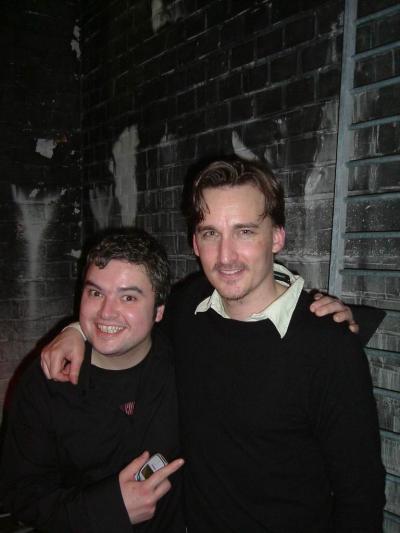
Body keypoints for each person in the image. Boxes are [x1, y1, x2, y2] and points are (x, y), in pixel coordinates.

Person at [40, 158, 385, 532]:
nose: (226, 256)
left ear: (277, 236)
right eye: (210, 233)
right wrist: (78, 329)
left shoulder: (328, 347)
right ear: (194, 242)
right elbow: (127, 315)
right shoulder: (188, 308)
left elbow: (361, 495)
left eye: (245, 232)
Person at [0, 230, 185, 533]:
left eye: (128, 297)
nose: (106, 312)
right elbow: (20, 494)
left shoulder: (184, 359)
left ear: (159, 311)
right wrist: (109, 508)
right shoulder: (48, 378)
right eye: (96, 293)